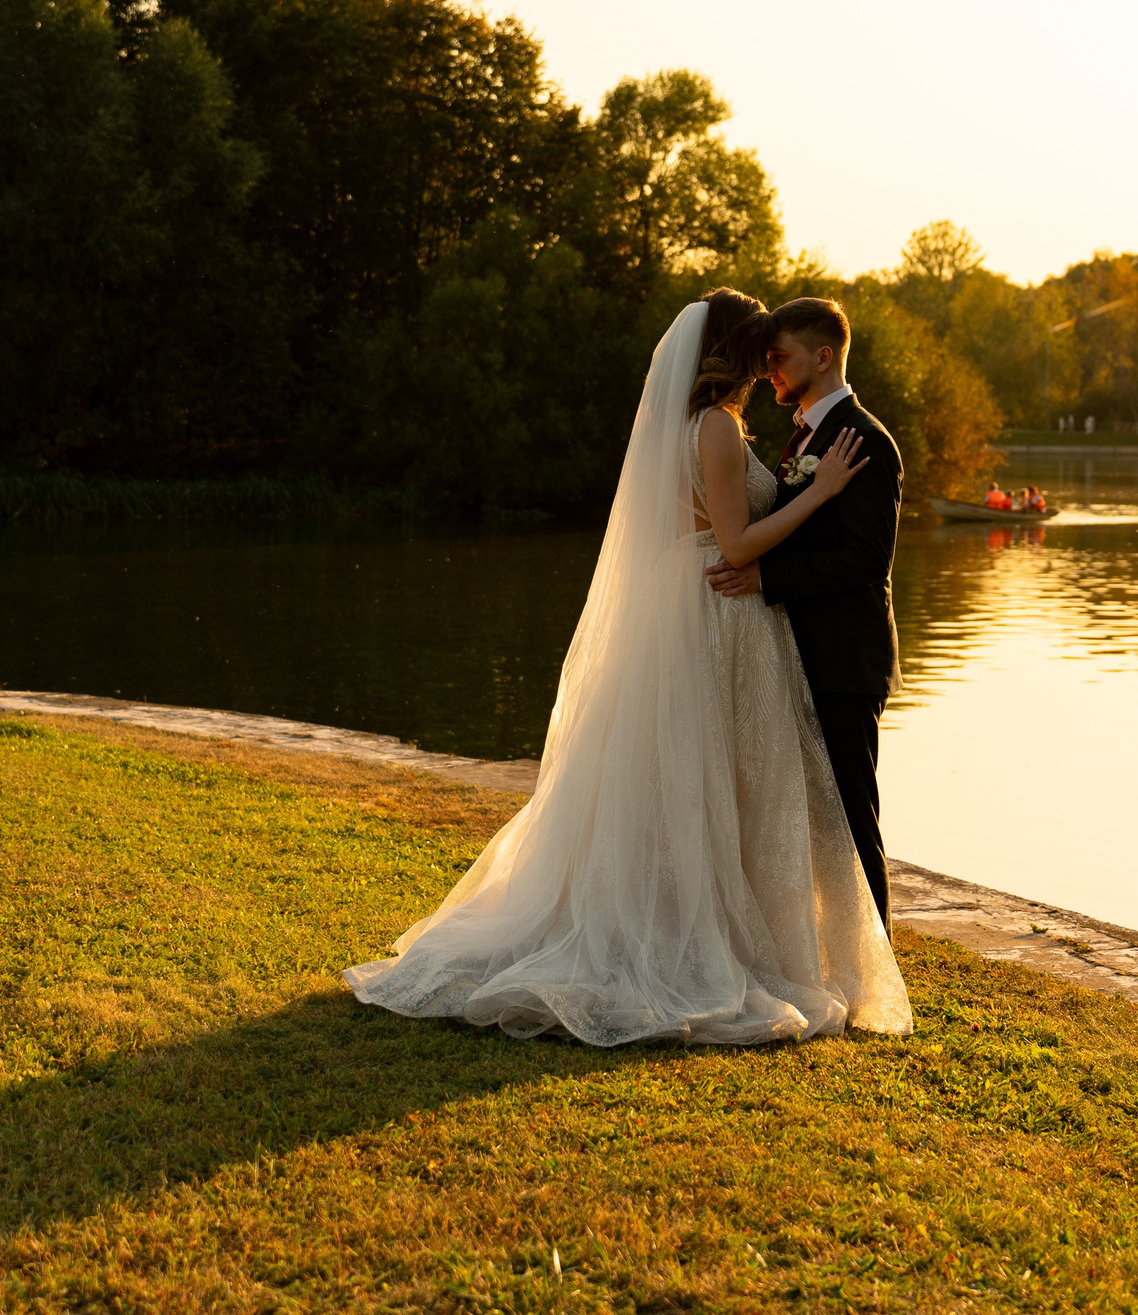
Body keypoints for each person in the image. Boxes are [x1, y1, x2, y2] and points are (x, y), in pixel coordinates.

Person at [345, 292, 910, 1046]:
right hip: (720, 619)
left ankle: (858, 961)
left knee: (773, 798)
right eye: (764, 352)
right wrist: (815, 500)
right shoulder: (719, 429)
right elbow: (738, 544)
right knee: (714, 784)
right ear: (739, 352)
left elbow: (849, 557)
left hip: (774, 633)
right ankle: (764, 952)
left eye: (782, 353)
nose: (772, 364)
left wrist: (783, 549)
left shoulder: (778, 432)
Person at [708, 296, 904, 930]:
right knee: (806, 813)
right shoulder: (806, 435)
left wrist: (765, 575)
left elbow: (865, 562)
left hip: (844, 657)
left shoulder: (865, 439)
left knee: (850, 813)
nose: (769, 370)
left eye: (780, 358)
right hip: (795, 650)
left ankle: (876, 965)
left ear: (823, 357)